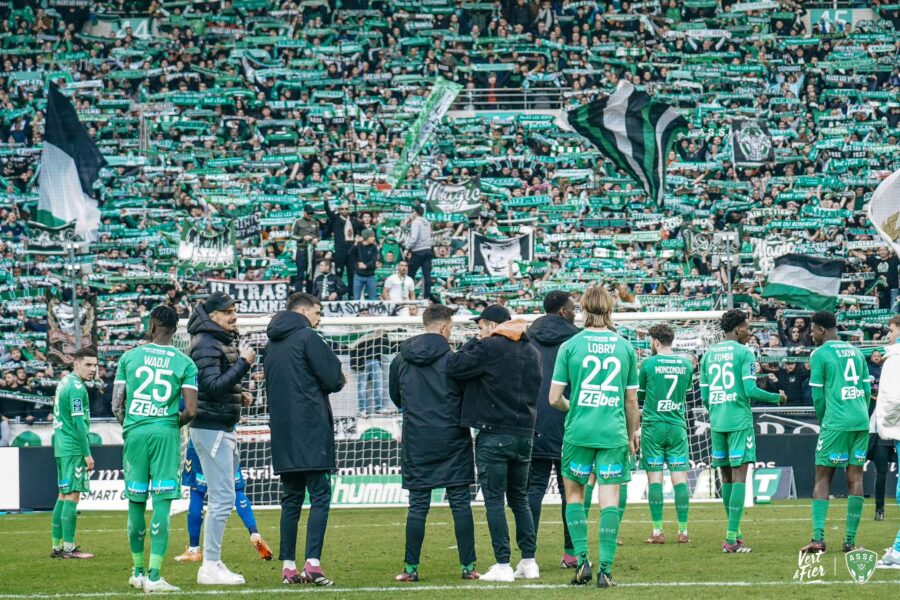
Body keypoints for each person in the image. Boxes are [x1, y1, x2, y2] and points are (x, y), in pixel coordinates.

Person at [549, 286, 639, 588]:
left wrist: (572, 407)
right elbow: (630, 402)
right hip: (612, 432)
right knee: (609, 501)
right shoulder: (625, 347)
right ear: (610, 309)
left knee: (575, 495)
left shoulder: (570, 346)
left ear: (584, 308)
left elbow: (554, 398)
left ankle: (582, 561)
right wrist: (631, 434)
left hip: (578, 432)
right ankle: (606, 570)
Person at [447, 304, 542, 583]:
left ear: (490, 325)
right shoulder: (532, 351)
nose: (479, 332)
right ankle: (529, 561)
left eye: (480, 327)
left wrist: (475, 341)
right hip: (525, 434)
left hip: (494, 434)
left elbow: (454, 367)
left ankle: (502, 564)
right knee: (520, 500)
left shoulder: (489, 348)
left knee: (494, 501)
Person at [111, 305, 199, 592]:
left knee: (135, 502)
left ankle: (136, 572)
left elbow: (116, 403)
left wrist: (132, 425)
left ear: (151, 326)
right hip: (165, 433)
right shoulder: (185, 363)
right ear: (175, 330)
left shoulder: (129, 357)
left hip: (135, 433)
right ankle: (154, 576)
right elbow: (191, 410)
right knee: (162, 503)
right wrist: (171, 423)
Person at [388, 304, 479, 582]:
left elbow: (396, 397)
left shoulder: (400, 359)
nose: (451, 331)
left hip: (417, 439)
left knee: (418, 506)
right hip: (453, 438)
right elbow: (468, 396)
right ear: (442, 327)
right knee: (460, 504)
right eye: (450, 326)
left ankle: (411, 569)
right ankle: (468, 567)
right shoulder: (454, 359)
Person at [264, 292, 345, 586]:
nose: (319, 318)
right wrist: (337, 378)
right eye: (318, 312)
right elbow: (334, 379)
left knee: (291, 501)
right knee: (320, 496)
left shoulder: (270, 344)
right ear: (302, 310)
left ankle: (288, 567)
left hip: (283, 433)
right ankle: (312, 563)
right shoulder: (308, 337)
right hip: (311, 430)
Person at [700, 309, 786, 554]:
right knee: (739, 477)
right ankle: (730, 539)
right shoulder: (744, 352)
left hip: (717, 422)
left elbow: (705, 396)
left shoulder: (708, 356)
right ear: (738, 329)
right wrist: (776, 397)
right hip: (738, 420)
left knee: (725, 478)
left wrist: (719, 409)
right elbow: (750, 390)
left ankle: (735, 535)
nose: (749, 332)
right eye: (747, 327)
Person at [187, 291, 256, 585]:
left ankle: (212, 562)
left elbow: (212, 388)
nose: (234, 316)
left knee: (222, 497)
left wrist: (237, 395)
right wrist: (244, 363)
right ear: (213, 316)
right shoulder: (207, 344)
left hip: (217, 425)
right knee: (222, 498)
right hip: (212, 428)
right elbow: (212, 387)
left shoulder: (214, 342)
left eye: (235, 310)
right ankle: (210, 566)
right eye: (229, 312)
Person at [800, 311, 872, 554]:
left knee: (822, 477)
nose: (810, 334)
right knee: (856, 478)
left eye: (812, 330)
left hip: (836, 422)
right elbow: (865, 390)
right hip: (860, 421)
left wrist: (824, 421)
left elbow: (818, 396)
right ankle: (850, 542)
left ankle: (818, 539)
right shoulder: (857, 351)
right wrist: (861, 413)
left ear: (821, 330)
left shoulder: (819, 354)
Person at [524, 290, 580, 568]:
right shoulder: (577, 338)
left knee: (533, 488)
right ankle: (570, 554)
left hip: (534, 419)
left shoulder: (527, 336)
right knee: (570, 489)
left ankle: (528, 555)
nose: (575, 311)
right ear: (562, 311)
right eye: (572, 307)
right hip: (569, 417)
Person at [174, 437, 273, 563]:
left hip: (200, 441)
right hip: (226, 441)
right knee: (237, 491)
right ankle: (254, 533)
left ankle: (194, 549)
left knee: (196, 492)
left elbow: (189, 416)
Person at [639, 324, 694, 545]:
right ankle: (683, 531)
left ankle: (658, 531)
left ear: (655, 341)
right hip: (677, 426)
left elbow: (640, 394)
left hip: (653, 426)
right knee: (680, 479)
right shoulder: (686, 363)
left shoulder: (648, 364)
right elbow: (686, 392)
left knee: (655, 479)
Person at [50, 347, 98, 560]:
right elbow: (79, 424)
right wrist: (86, 453)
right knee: (72, 496)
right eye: (88, 365)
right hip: (73, 448)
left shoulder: (64, 382)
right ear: (75, 364)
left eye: (95, 365)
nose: (93, 369)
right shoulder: (78, 388)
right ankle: (69, 549)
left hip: (61, 446)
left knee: (62, 495)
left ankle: (57, 546)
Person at [875, 315, 900, 567]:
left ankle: (899, 550)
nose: (888, 335)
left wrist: (888, 425)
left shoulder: (895, 359)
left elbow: (894, 399)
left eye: (891, 330)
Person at [323, 198, 358, 290]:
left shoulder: (354, 220)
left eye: (346, 209)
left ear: (349, 210)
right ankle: (338, 294)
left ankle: (351, 295)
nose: (344, 210)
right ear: (339, 210)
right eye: (342, 209)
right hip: (340, 251)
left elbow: (360, 231)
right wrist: (325, 201)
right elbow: (328, 212)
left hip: (351, 251)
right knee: (339, 274)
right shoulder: (335, 219)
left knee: (352, 274)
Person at [405, 205, 433, 299]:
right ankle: (426, 296)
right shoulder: (428, 223)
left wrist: (407, 248)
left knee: (410, 274)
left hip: (418, 251)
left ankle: (409, 295)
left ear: (414, 211)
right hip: (428, 250)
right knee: (426, 275)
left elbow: (414, 238)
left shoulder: (416, 222)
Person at [291, 205, 320, 293]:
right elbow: (292, 235)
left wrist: (317, 239)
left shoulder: (315, 222)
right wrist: (303, 237)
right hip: (302, 250)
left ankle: (309, 295)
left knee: (310, 274)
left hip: (311, 251)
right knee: (300, 274)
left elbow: (319, 235)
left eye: (312, 213)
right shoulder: (298, 222)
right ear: (304, 212)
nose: (310, 215)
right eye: (308, 213)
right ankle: (298, 294)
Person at [349, 229, 379, 300]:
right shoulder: (358, 246)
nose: (374, 238)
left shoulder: (374, 247)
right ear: (366, 237)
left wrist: (366, 266)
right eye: (372, 237)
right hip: (358, 275)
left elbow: (374, 260)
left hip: (370, 276)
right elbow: (350, 254)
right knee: (356, 298)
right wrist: (355, 243)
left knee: (373, 297)